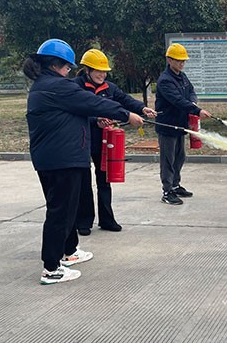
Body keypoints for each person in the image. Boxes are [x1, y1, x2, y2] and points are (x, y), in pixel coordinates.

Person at [23, 39, 144, 285]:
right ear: (56, 65)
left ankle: (69, 252)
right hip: (62, 160)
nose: (69, 72)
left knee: (68, 207)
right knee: (60, 212)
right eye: (68, 67)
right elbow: (92, 102)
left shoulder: (45, 85)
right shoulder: (58, 86)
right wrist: (126, 114)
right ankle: (51, 268)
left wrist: (96, 120)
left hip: (59, 157)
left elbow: (73, 112)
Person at [74, 49, 157, 235]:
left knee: (104, 180)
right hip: (82, 140)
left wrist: (142, 109)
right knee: (84, 182)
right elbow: (75, 112)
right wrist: (95, 120)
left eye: (104, 71)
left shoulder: (109, 88)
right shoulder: (76, 87)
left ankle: (107, 219)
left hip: (104, 141)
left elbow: (125, 100)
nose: (102, 75)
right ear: (87, 70)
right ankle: (84, 222)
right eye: (98, 71)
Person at [155, 43, 212, 205]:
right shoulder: (165, 80)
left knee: (180, 157)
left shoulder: (182, 76)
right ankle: (167, 191)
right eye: (179, 60)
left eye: (183, 60)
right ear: (169, 60)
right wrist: (197, 110)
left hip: (180, 124)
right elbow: (177, 100)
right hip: (168, 125)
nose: (182, 63)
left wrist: (193, 102)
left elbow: (191, 92)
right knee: (168, 159)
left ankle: (175, 184)